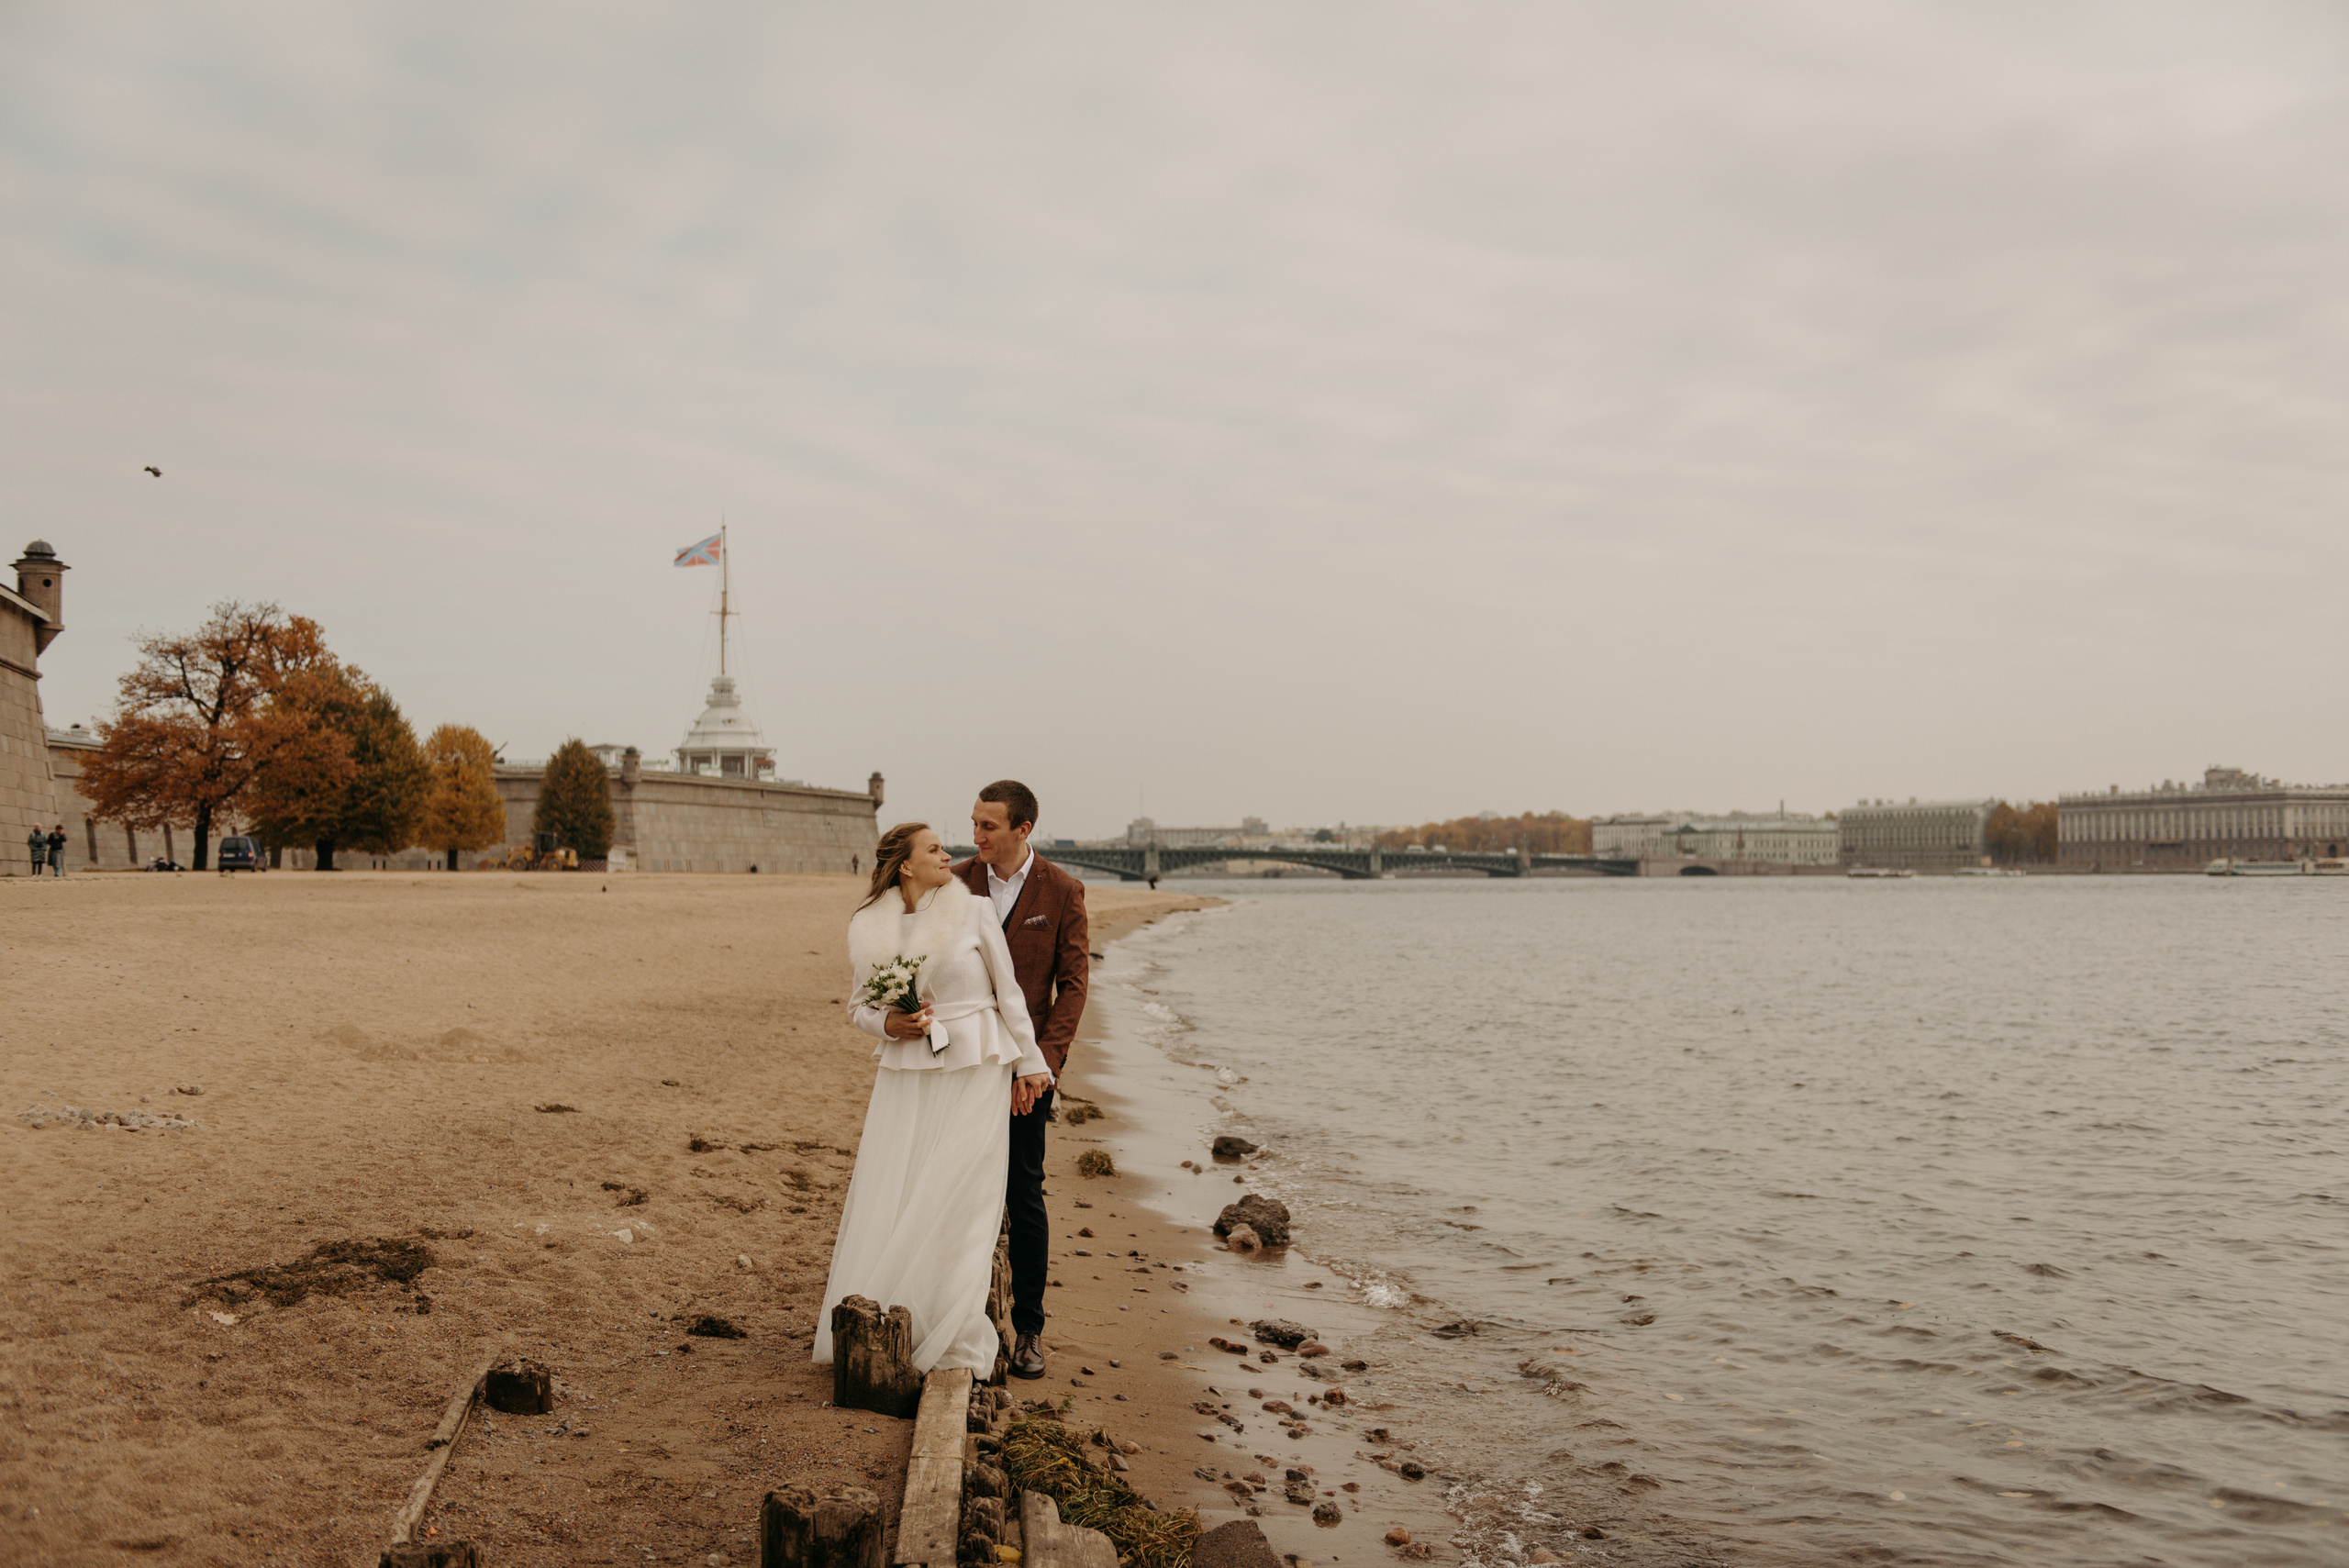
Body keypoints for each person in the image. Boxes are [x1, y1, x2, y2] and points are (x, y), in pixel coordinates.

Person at [816, 822, 1054, 1375]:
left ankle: (953, 1323)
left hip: (977, 1065)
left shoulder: (971, 911)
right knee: (903, 1186)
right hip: (909, 1072)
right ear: (905, 865)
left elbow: (1009, 992)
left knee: (965, 1194)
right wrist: (889, 1023)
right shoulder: (871, 925)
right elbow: (857, 1007)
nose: (949, 855)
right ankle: (899, 1313)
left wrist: (1032, 1062)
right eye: (934, 849)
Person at [952, 780, 1088, 1379]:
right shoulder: (954, 883)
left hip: (1026, 1074)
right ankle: (957, 1314)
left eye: (988, 826)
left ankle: (1029, 1329)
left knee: (1023, 1195)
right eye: (975, 823)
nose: (976, 835)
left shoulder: (1062, 891)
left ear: (1022, 829)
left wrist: (1044, 1067)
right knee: (956, 1190)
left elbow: (1074, 987)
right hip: (960, 1067)